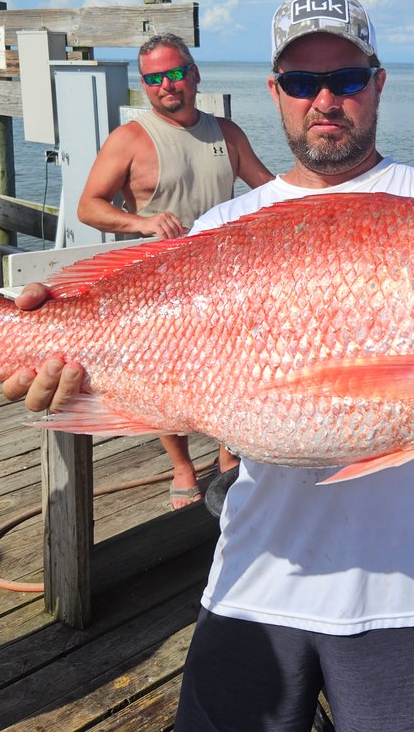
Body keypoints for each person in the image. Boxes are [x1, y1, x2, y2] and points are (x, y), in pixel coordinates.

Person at [4, 0, 414, 731]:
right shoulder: (226, 222)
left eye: (344, 79)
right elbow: (140, 355)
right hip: (254, 576)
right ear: (274, 92)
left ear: (376, 84)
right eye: (303, 82)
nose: (325, 99)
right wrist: (47, 358)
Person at [77, 33, 273, 509]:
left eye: (176, 73)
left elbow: (269, 190)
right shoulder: (129, 139)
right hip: (155, 286)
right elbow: (88, 207)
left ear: (195, 74)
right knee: (165, 378)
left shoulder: (227, 134)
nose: (167, 85)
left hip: (224, 282)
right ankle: (182, 464)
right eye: (154, 78)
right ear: (144, 85)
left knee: (234, 369)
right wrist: (140, 222)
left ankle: (229, 456)